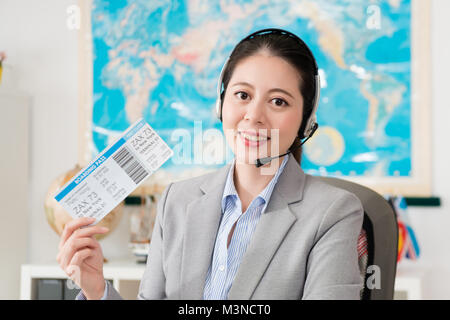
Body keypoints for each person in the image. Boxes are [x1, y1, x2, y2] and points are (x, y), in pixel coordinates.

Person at [57, 28, 364, 300]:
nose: (253, 115)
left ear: (305, 123)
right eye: (242, 95)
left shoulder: (332, 212)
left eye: (278, 101)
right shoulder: (176, 202)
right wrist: (97, 291)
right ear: (220, 104)